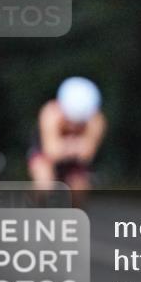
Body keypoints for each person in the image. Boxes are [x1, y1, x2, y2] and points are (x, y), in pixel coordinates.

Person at [28, 77, 106, 206]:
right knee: (44, 183)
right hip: (44, 156)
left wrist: (64, 147)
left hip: (72, 161)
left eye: (79, 123)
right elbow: (51, 152)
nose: (74, 127)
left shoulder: (97, 120)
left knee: (79, 188)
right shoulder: (49, 113)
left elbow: (87, 155)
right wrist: (76, 146)